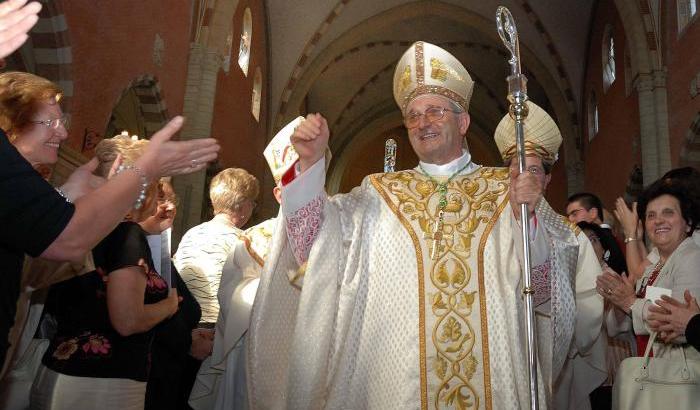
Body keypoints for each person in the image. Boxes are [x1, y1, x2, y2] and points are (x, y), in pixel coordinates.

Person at [248, 41, 585, 409]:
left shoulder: (506, 189)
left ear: (463, 121)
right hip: (393, 386)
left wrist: (528, 219)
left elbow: (544, 290)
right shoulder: (377, 193)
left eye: (436, 111)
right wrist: (310, 168)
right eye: (413, 115)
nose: (423, 122)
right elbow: (316, 244)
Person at [0, 71, 220, 368]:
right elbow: (68, 245)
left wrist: (67, 196)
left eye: (62, 122)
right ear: (12, 126)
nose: (63, 134)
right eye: (49, 122)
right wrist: (144, 171)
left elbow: (36, 272)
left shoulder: (25, 187)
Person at [29, 135, 180, 409]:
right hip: (102, 381)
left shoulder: (83, 223)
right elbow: (127, 320)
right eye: (154, 182)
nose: (158, 193)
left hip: (61, 369)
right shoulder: (126, 235)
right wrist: (168, 307)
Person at [494, 101, 606, 409]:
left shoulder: (572, 236)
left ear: (547, 180)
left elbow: (588, 300)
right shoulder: (488, 233)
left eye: (533, 170)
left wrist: (563, 333)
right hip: (501, 357)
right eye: (516, 169)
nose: (524, 177)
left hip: (555, 364)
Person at [189, 123, 291, 410]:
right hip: (251, 352)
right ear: (278, 194)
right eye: (295, 185)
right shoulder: (253, 240)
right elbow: (231, 299)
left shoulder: (333, 238)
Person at [597, 179, 700, 360]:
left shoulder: (692, 257)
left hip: (680, 376)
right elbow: (619, 330)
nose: (658, 221)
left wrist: (629, 302)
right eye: (651, 216)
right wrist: (620, 302)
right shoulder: (652, 267)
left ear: (688, 223)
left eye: (668, 213)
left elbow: (677, 325)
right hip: (651, 369)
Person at [141, 179, 213, 410]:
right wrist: (188, 342)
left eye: (173, 200)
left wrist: (193, 333)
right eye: (162, 199)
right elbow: (133, 319)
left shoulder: (159, 252)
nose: (171, 207)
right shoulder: (133, 250)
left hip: (169, 379)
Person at [174, 167, 259, 327]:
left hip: (185, 323)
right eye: (252, 203)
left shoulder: (191, 234)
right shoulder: (244, 240)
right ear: (242, 205)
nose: (252, 209)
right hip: (219, 328)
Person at [577, 222, 634, 410]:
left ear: (604, 249)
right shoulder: (573, 279)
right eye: (580, 240)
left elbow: (617, 325)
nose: (586, 245)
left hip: (610, 360)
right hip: (583, 361)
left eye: (592, 240)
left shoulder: (610, 277)